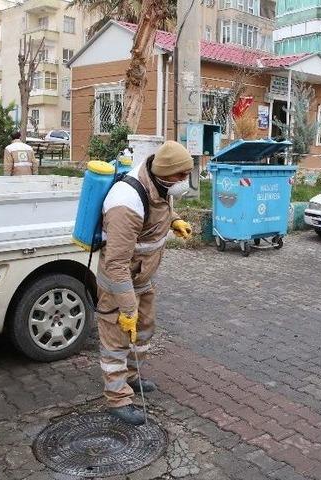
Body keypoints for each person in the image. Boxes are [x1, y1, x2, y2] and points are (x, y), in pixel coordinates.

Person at [97, 140, 194, 425]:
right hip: (119, 284)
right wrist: (127, 308)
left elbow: (159, 207)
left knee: (143, 331)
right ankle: (117, 398)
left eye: (187, 175)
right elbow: (116, 264)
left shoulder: (159, 182)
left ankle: (131, 376)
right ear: (165, 172)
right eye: (181, 175)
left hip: (143, 277)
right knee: (116, 340)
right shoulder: (126, 202)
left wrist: (174, 220)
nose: (183, 181)